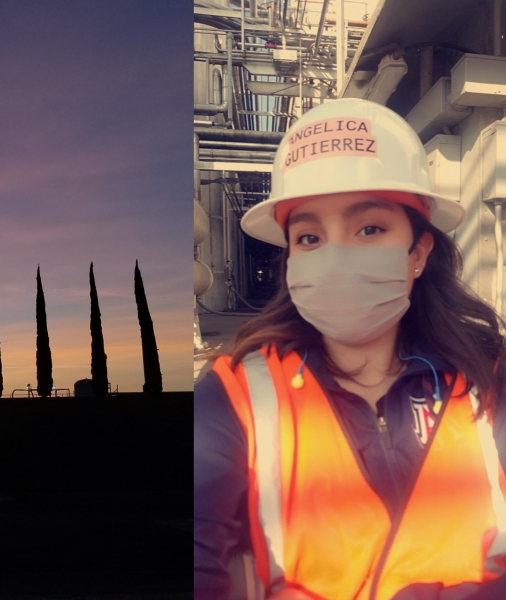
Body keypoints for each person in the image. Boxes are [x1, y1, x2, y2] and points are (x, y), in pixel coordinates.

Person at [194, 98, 506, 600]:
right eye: (310, 237)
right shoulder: (236, 393)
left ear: (419, 252)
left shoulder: (488, 376)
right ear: (290, 260)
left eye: (369, 229)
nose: (335, 257)